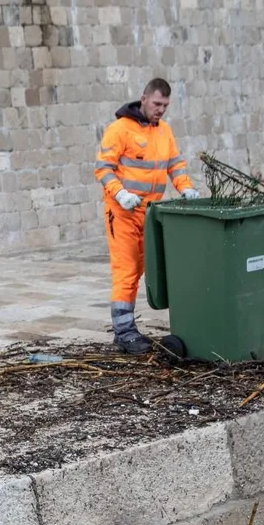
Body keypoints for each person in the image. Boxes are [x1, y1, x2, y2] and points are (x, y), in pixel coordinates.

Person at [94, 78, 199, 354]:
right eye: (157, 103)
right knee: (126, 271)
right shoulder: (119, 130)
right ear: (143, 99)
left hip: (150, 215)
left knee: (142, 271)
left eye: (165, 105)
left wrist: (186, 187)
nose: (161, 110)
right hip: (123, 212)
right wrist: (120, 194)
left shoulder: (164, 131)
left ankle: (127, 327)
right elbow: (103, 168)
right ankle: (124, 332)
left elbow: (175, 163)